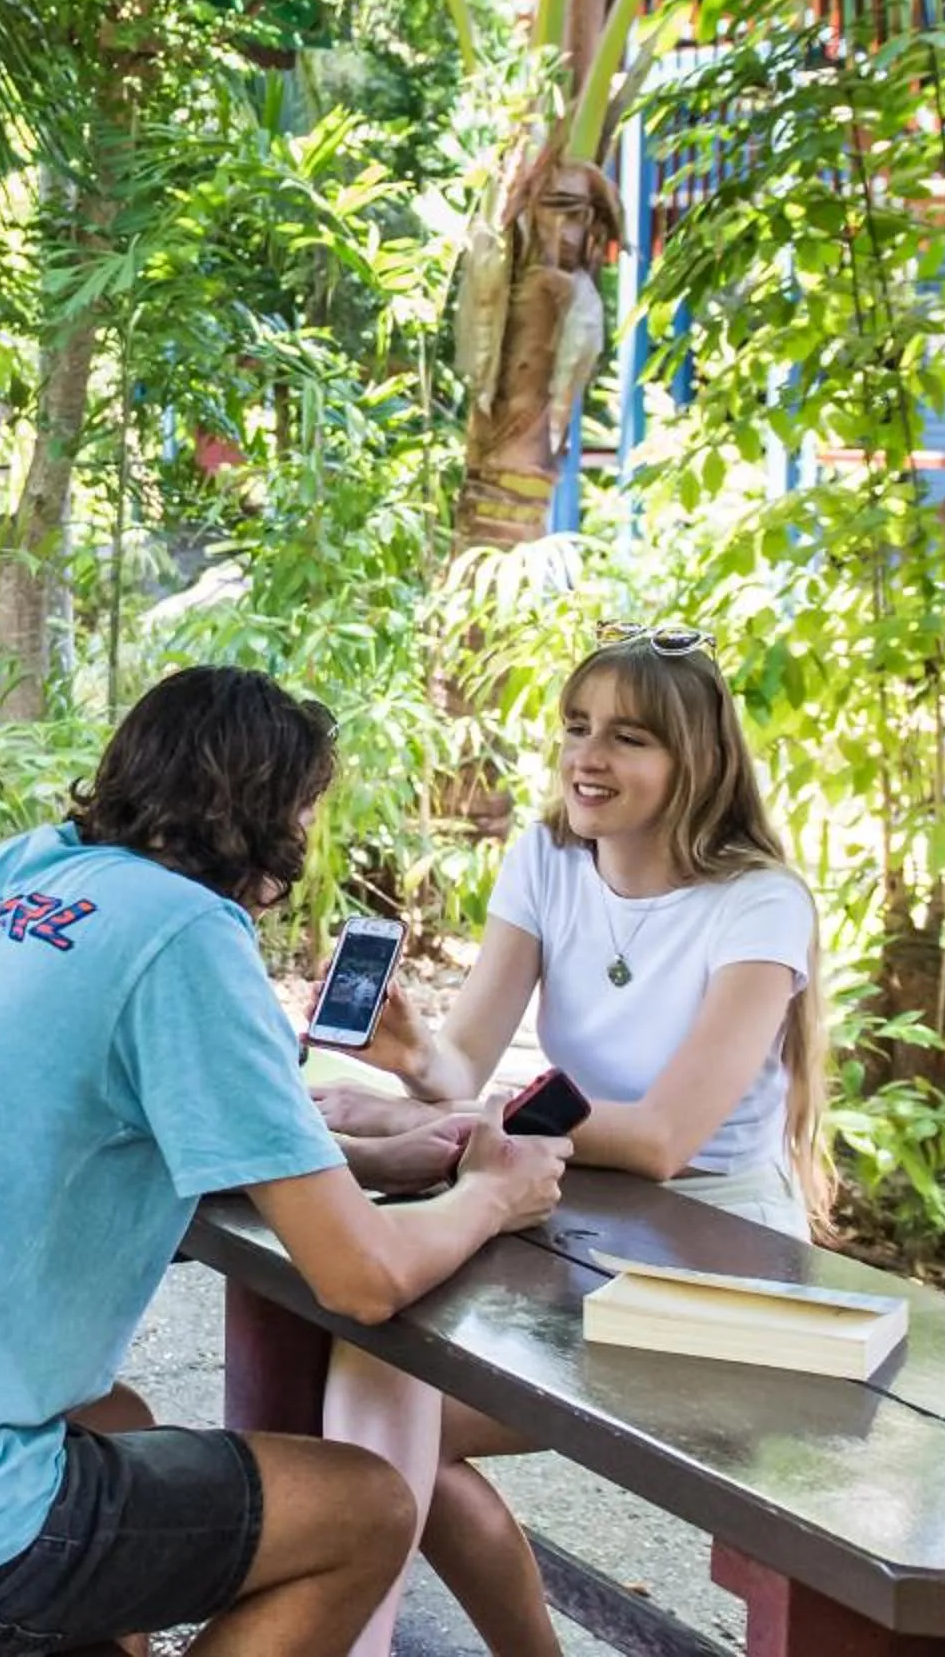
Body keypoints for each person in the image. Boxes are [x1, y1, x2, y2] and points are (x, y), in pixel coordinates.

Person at [0, 667, 571, 1657]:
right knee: (362, 1507)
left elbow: (87, 1108)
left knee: (120, 1422)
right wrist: (490, 1195)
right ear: (275, 824)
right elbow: (362, 1278)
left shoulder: (22, 872)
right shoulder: (188, 933)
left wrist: (360, 1158)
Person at [318, 627, 822, 1657]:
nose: (588, 757)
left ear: (698, 762)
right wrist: (415, 1059)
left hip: (720, 1264)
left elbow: (662, 1141)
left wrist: (441, 1126)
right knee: (376, 1393)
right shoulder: (547, 857)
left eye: (629, 737)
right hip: (577, 1228)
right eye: (577, 728)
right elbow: (466, 1061)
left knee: (389, 1434)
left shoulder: (761, 901)